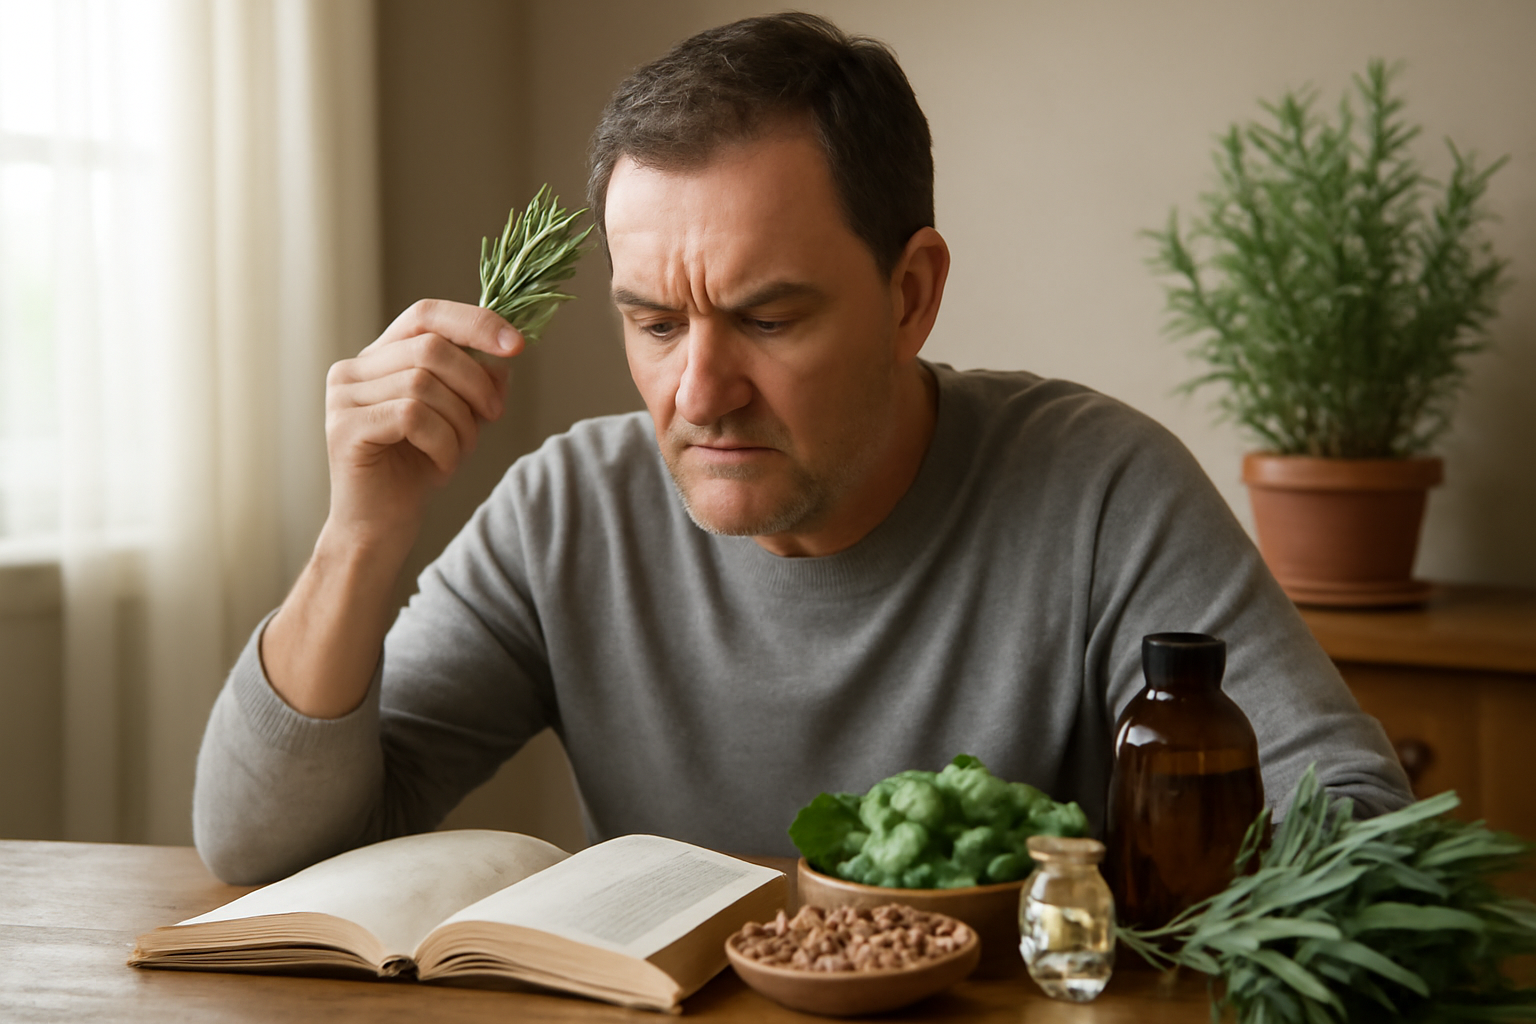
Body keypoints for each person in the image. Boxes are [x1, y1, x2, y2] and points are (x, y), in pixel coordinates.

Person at [193, 13, 1410, 884]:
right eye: (654, 323)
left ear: (910, 294)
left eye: (767, 318)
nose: (700, 390)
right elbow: (262, 851)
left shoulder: (1100, 488)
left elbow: (1357, 825)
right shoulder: (567, 509)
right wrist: (362, 531)